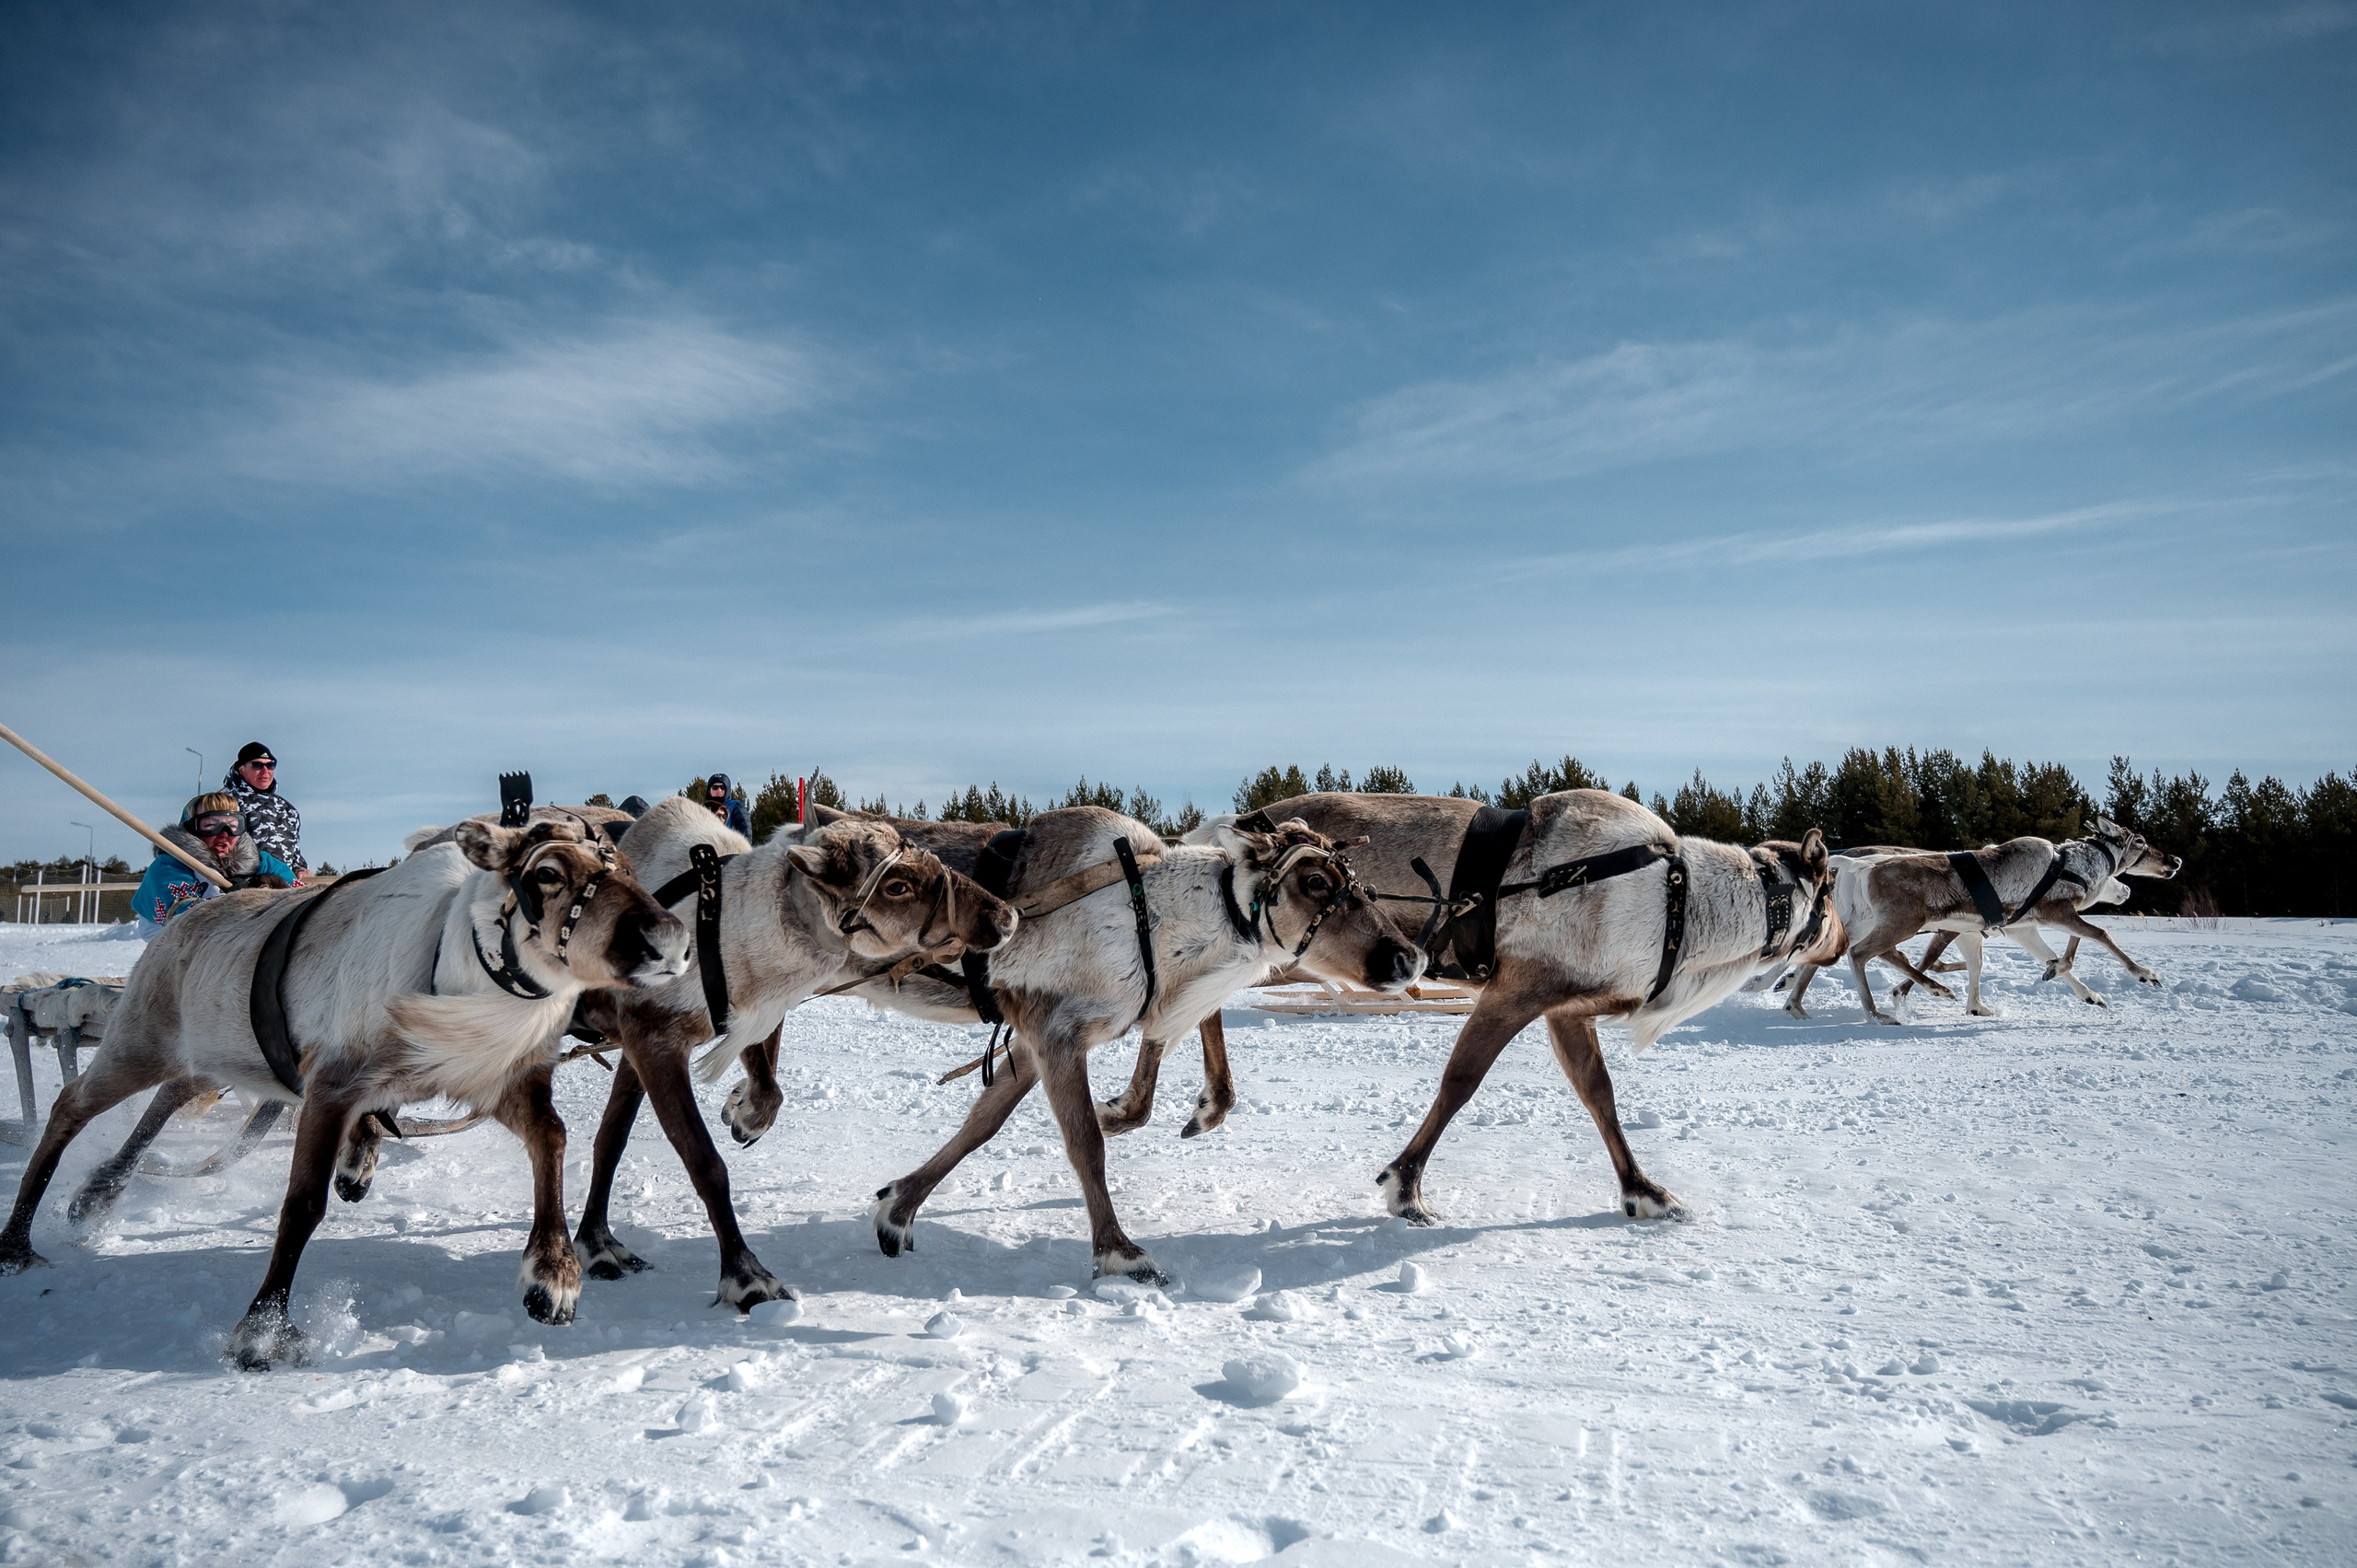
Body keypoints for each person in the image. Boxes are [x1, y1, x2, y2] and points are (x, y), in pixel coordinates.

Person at [133, 793, 298, 936]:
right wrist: (238, 902)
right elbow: (184, 919)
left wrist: (270, 891)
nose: (224, 834)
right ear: (192, 828)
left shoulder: (261, 862)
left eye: (233, 826)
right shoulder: (170, 866)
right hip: (181, 950)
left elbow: (297, 897)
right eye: (211, 826)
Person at [222, 741, 308, 882]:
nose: (265, 771)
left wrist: (300, 869)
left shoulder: (287, 809)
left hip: (283, 885)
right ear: (241, 769)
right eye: (257, 765)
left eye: (270, 765)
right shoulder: (227, 801)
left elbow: (294, 851)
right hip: (243, 884)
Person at [703, 772, 752, 836]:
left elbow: (745, 833)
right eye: (715, 787)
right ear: (709, 790)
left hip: (729, 841)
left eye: (722, 787)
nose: (719, 790)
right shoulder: (704, 808)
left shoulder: (736, 807)